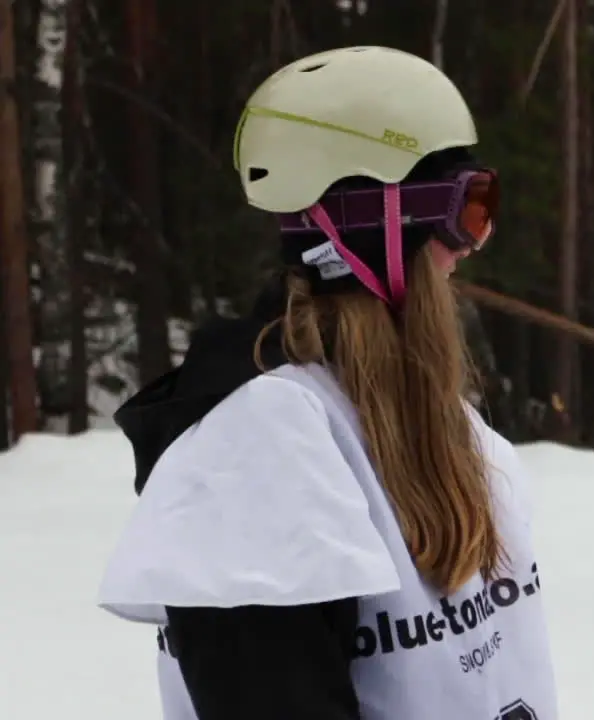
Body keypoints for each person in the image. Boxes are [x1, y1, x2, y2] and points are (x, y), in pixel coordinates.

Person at [96, 46, 559, 720]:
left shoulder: (434, 416)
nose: (471, 243)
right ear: (379, 228)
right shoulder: (261, 450)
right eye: (467, 208)